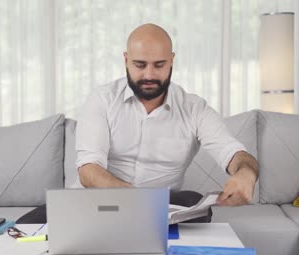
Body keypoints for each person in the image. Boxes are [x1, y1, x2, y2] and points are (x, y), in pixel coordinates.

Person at [75, 23, 259, 210]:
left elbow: (232, 152)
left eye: (159, 65)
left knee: (195, 205)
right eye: (140, 65)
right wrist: (136, 201)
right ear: (126, 60)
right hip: (101, 204)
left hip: (161, 211)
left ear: (171, 61)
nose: (149, 74)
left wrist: (246, 173)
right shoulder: (102, 99)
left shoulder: (194, 109)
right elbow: (89, 170)